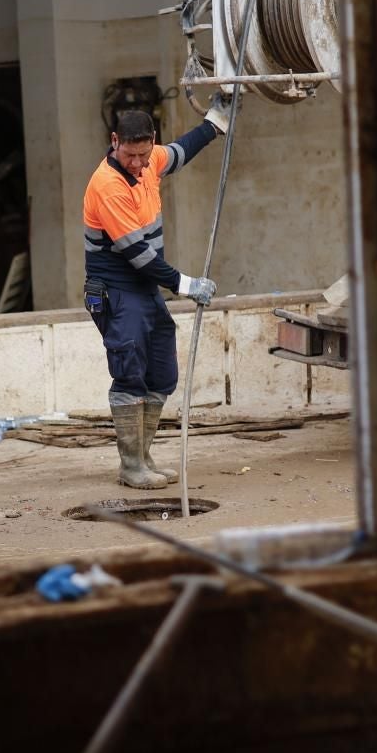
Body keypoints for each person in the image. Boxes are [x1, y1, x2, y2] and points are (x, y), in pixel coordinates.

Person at [82, 98, 229, 489]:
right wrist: (186, 285)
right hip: (116, 288)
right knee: (130, 373)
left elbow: (180, 152)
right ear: (115, 142)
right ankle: (131, 465)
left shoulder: (150, 163)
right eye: (131, 155)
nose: (138, 164)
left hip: (144, 289)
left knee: (161, 372)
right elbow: (138, 255)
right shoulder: (107, 186)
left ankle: (144, 457)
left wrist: (215, 122)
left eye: (144, 155)